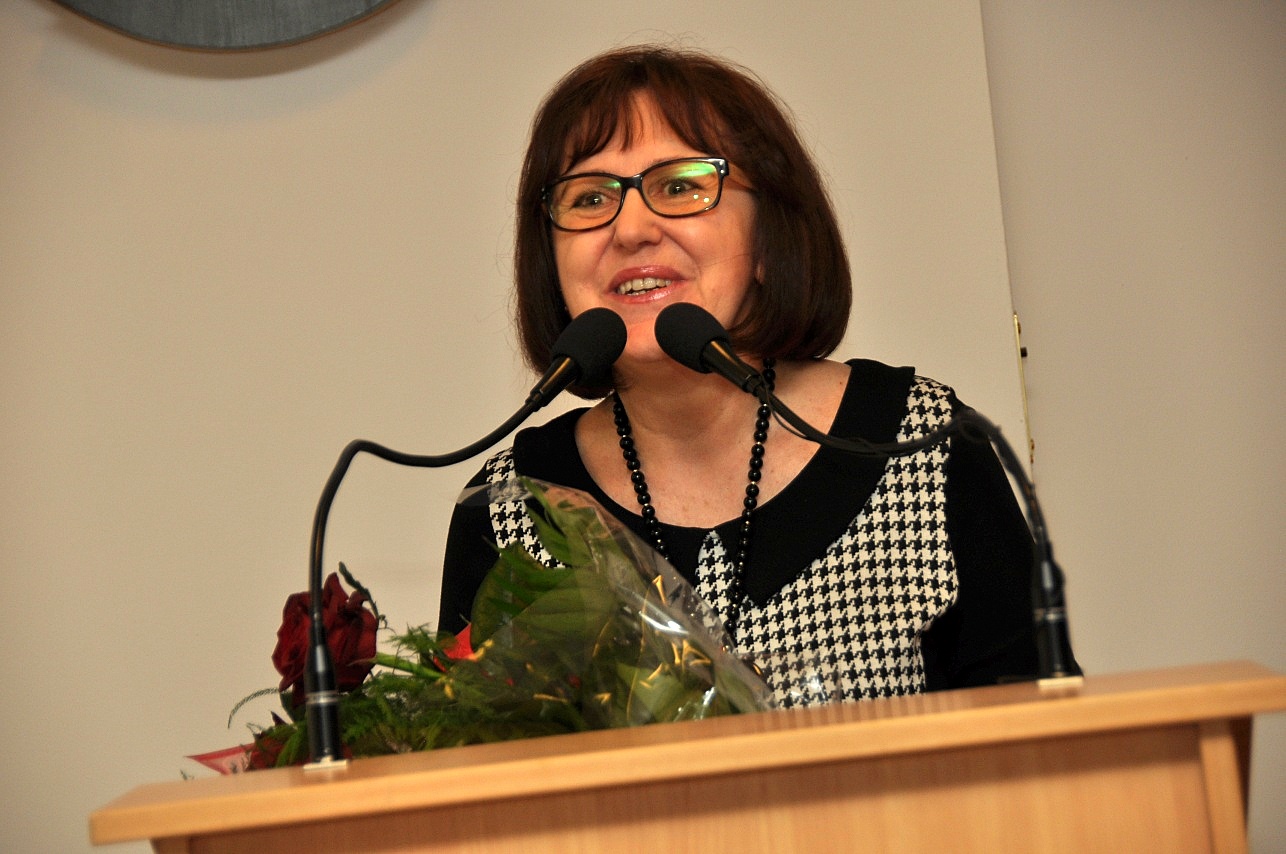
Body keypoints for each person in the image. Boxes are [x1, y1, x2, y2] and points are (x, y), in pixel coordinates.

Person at [440, 45, 1076, 706]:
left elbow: (1045, 747)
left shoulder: (920, 444)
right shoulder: (511, 508)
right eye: (590, 197)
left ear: (768, 235)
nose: (630, 230)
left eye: (680, 185)